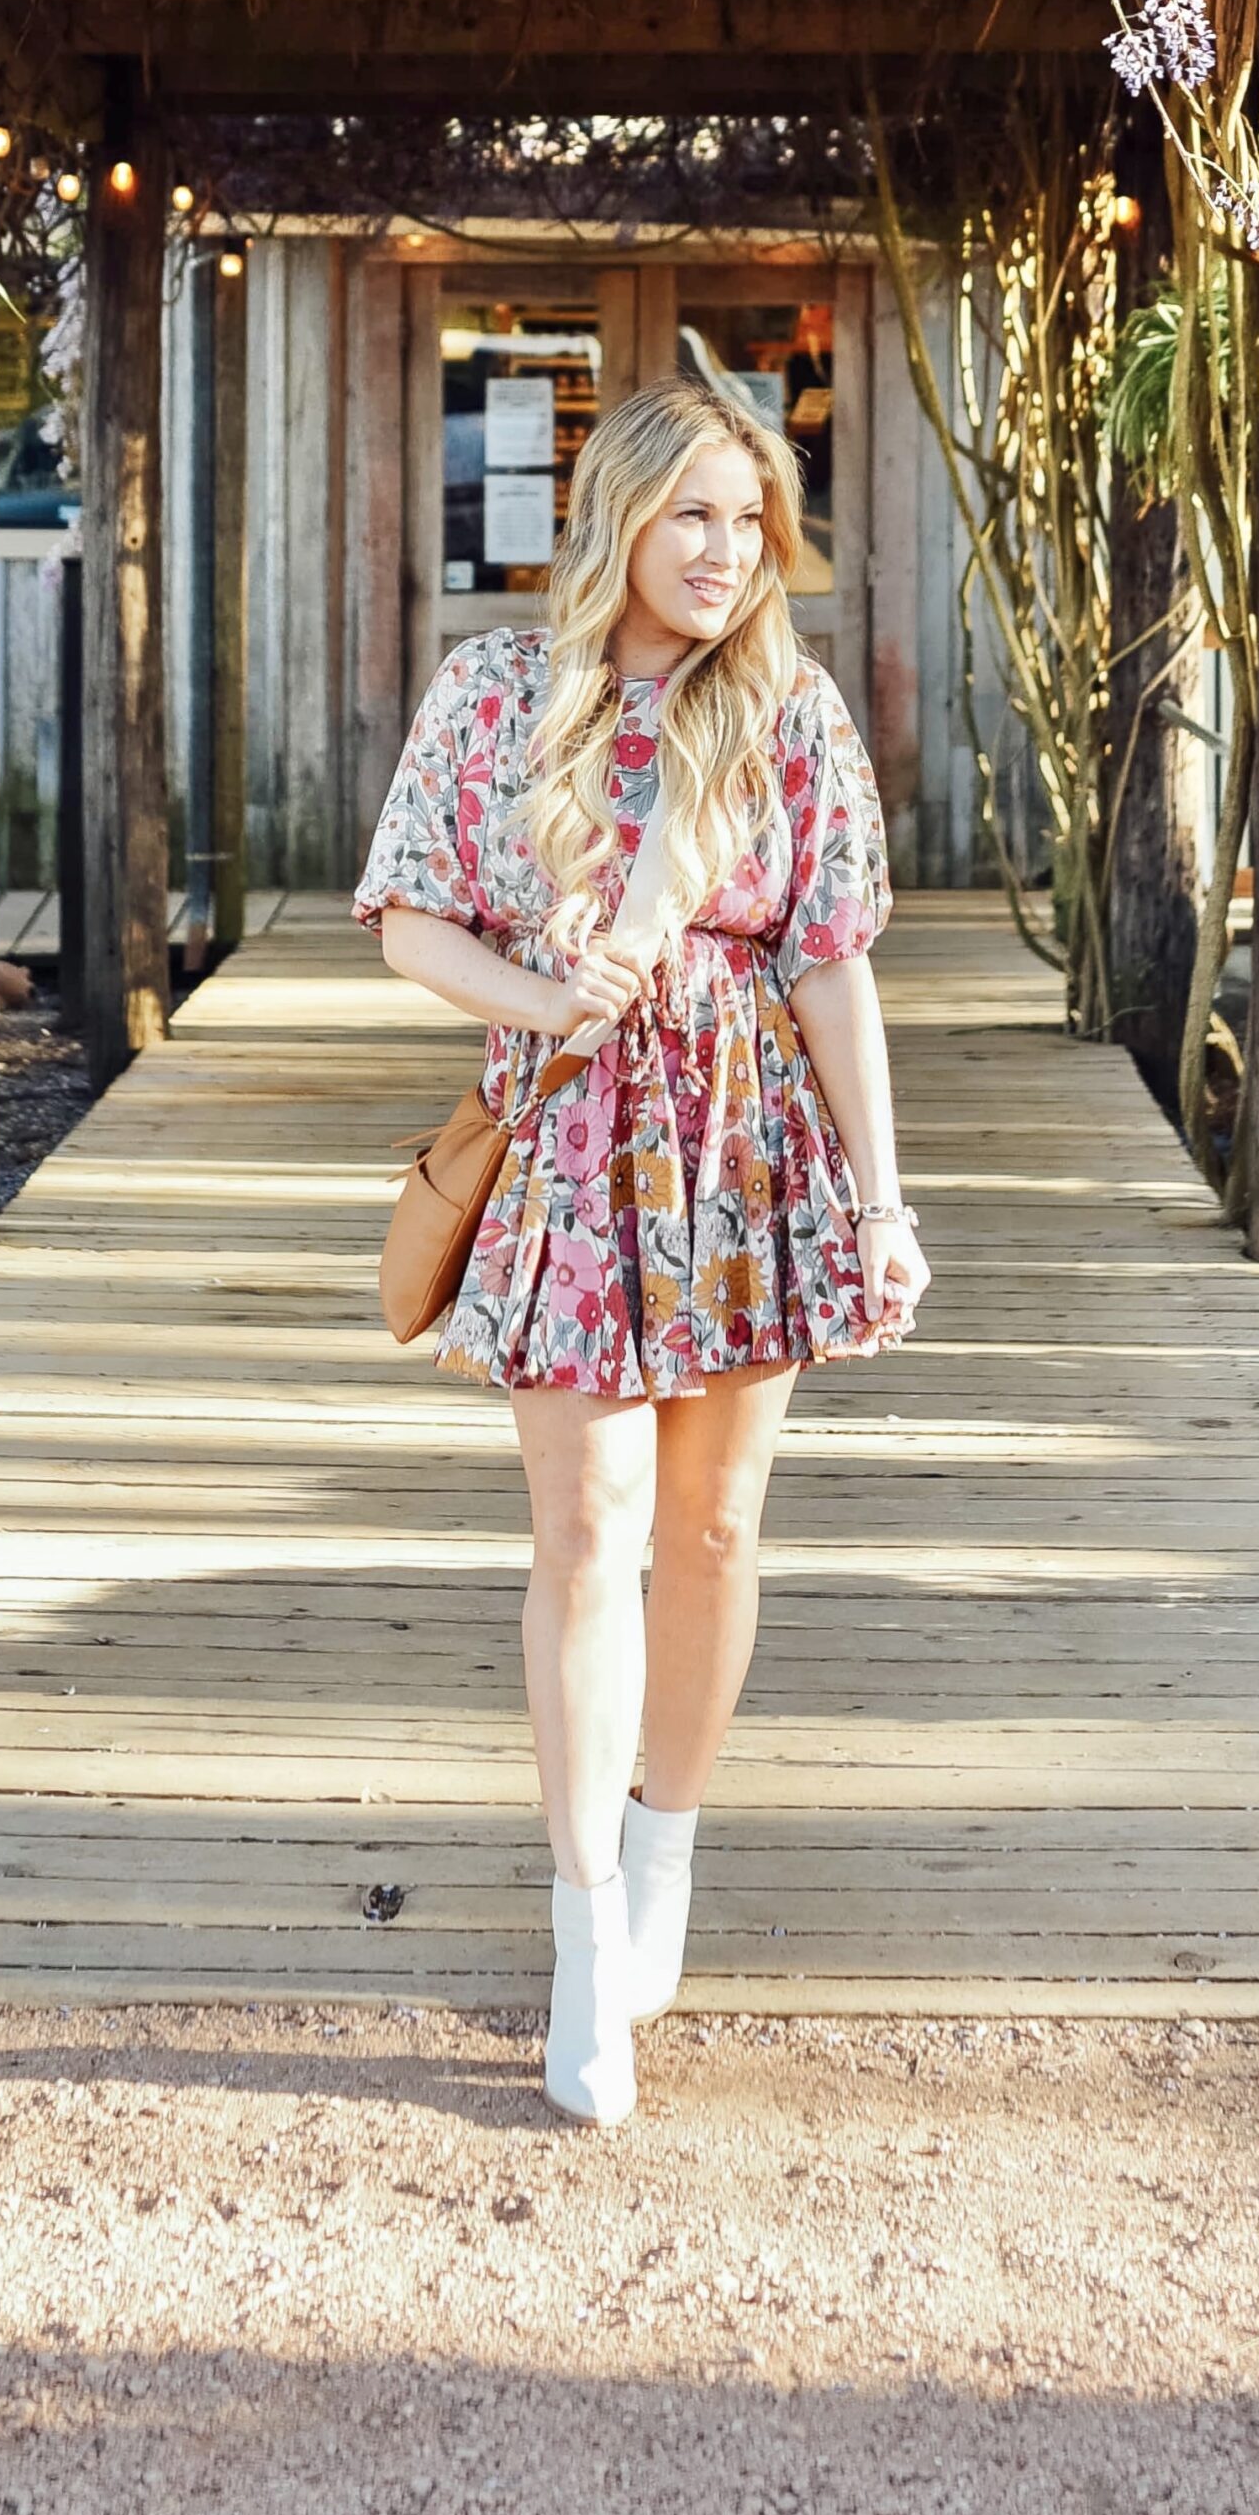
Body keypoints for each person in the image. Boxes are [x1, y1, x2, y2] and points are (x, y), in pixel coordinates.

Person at [356, 372, 927, 2126]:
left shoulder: (788, 711)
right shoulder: (494, 696)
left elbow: (829, 959)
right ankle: (584, 1927)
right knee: (586, 1533)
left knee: (713, 1523)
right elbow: (406, 924)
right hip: (570, 1134)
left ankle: (665, 1843)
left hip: (743, 1140)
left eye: (749, 521)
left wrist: (884, 1196)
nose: (723, 552)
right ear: (613, 517)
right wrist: (544, 994)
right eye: (692, 514)